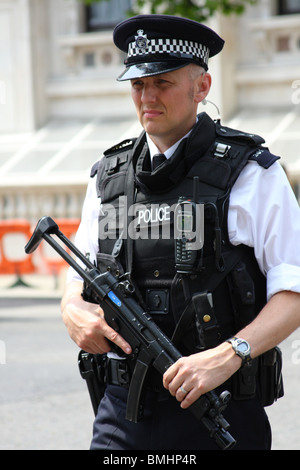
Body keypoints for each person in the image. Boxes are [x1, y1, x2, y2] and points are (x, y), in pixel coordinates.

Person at [61, 14, 300, 450]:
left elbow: (294, 292)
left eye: (163, 83)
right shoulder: (107, 178)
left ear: (202, 87)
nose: (147, 97)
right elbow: (78, 280)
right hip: (122, 416)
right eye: (137, 85)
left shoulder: (253, 174)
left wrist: (229, 355)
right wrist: (71, 310)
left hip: (217, 408)